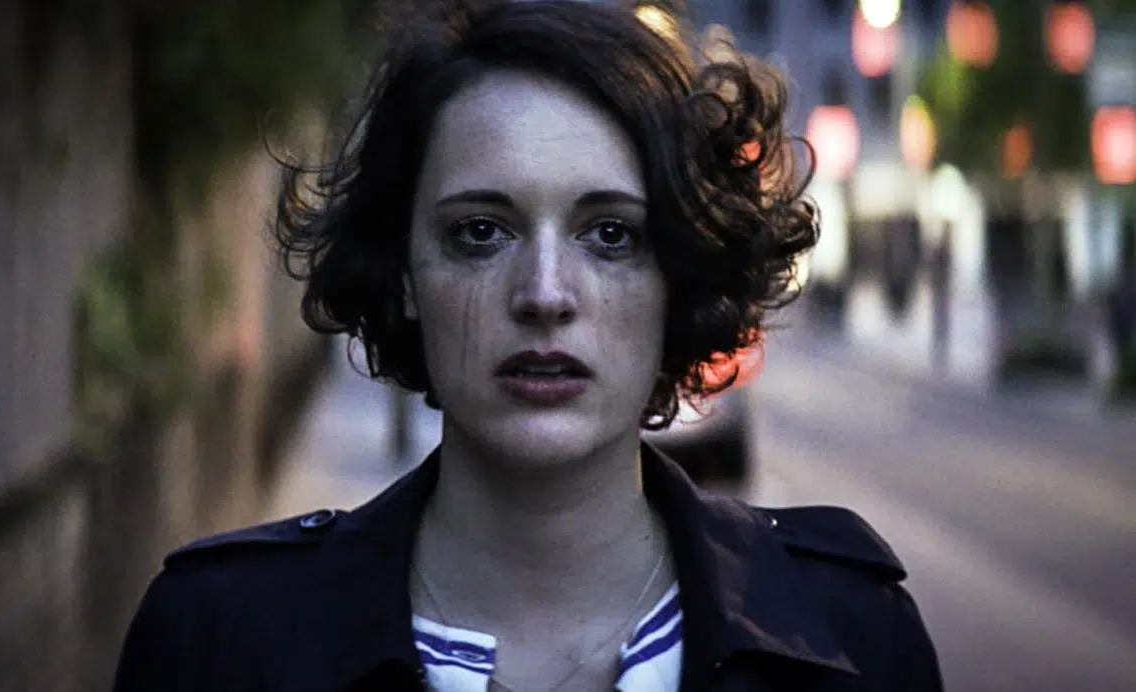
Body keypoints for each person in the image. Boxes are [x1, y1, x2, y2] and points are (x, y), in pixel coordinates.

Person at [113, 2, 943, 690]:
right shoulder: (213, 643)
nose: (545, 294)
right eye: (481, 231)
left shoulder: (856, 638)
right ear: (405, 274)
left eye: (610, 235)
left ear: (678, 274)